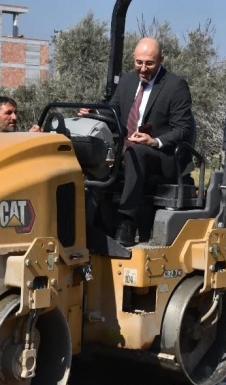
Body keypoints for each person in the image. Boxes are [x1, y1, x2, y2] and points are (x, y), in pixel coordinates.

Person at [81, 37, 193, 246]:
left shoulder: (175, 86)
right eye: (138, 62)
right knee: (89, 149)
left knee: (135, 152)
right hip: (126, 147)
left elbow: (183, 130)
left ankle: (126, 221)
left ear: (161, 59)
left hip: (161, 155)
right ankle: (86, 219)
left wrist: (154, 141)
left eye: (149, 63)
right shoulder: (127, 81)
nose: (143, 68)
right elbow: (113, 112)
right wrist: (94, 112)